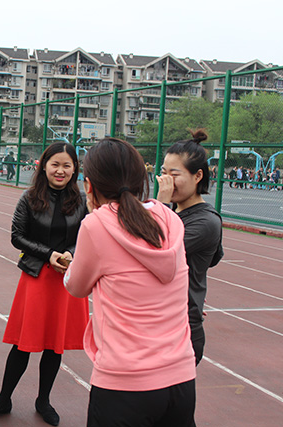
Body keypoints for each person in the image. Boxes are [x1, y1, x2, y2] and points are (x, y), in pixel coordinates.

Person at [64, 138, 196, 426]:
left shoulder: (96, 224)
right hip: (181, 377)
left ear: (89, 186)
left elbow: (76, 286)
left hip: (124, 383)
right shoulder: (171, 219)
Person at [0, 142, 89, 426]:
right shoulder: (29, 198)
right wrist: (48, 254)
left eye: (67, 165)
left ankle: (44, 401)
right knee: (23, 344)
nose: (60, 170)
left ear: (75, 168)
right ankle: (3, 399)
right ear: (44, 166)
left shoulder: (82, 200)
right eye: (55, 164)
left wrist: (70, 254)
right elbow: (17, 236)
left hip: (66, 280)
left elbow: (87, 235)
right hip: (37, 277)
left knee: (55, 345)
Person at [156, 129, 224, 367]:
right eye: (163, 173)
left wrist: (161, 203)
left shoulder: (206, 222)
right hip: (157, 320)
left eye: (174, 175)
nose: (166, 180)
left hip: (181, 327)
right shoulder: (173, 213)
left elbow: (156, 252)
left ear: (198, 176)